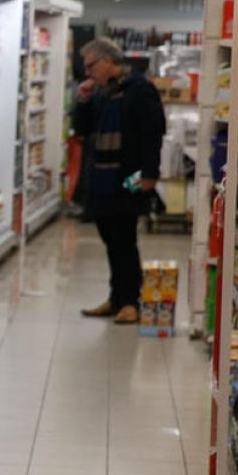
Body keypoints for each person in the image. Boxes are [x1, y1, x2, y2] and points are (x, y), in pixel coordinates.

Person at [72, 37, 165, 324]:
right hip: (101, 178)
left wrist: (149, 174)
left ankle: (130, 302)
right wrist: (83, 101)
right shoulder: (100, 92)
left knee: (125, 237)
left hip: (129, 177)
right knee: (110, 237)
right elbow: (82, 130)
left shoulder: (138, 89)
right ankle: (115, 298)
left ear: (109, 61)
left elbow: (153, 133)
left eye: (92, 66)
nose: (88, 73)